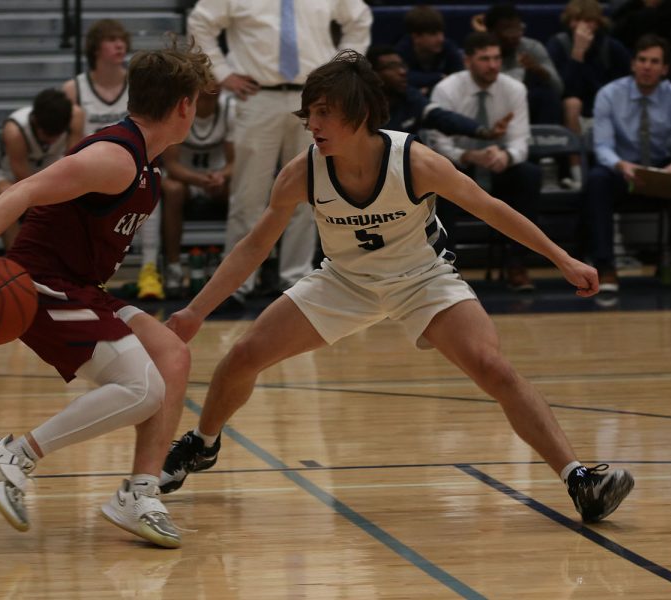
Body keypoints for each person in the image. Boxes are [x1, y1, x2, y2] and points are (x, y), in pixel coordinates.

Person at [159, 50, 634, 525]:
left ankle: (579, 480)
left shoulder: (415, 161)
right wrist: (195, 312)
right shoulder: (302, 171)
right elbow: (253, 247)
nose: (312, 124)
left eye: (324, 112)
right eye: (311, 113)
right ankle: (202, 442)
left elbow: (492, 209)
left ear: (359, 113)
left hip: (421, 279)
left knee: (494, 369)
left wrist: (562, 258)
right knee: (242, 356)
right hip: (344, 280)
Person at [0, 44, 214, 548]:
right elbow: (20, 191)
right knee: (142, 388)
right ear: (184, 106)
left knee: (172, 357)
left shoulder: (148, 164)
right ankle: (14, 455)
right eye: (196, 101)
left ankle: (139, 491)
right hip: (40, 284)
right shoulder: (115, 158)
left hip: (82, 288)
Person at [187, 0, 372, 311]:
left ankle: (296, 279)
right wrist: (221, 71)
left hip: (315, 96)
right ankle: (237, 282)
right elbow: (200, 22)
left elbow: (359, 17)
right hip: (257, 95)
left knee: (310, 190)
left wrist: (341, 69)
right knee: (248, 195)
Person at [585, 34, 671, 293]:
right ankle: (605, 268)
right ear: (633, 63)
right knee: (597, 180)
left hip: (663, 167)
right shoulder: (609, 94)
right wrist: (623, 166)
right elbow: (602, 147)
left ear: (664, 68)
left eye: (654, 62)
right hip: (623, 169)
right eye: (642, 60)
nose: (647, 66)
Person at [427, 32, 543, 291]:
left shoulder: (514, 89)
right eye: (484, 59)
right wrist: (468, 156)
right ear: (467, 60)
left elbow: (520, 141)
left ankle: (517, 263)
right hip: (457, 165)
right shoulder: (446, 90)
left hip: (499, 165)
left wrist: (506, 156)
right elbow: (438, 144)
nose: (492, 65)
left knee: (529, 174)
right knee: (439, 180)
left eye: (497, 58)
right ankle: (446, 268)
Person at [154, 87, 235, 298]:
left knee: (242, 189)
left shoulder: (229, 107)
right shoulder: (178, 106)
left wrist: (220, 176)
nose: (211, 82)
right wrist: (199, 180)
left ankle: (234, 268)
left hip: (217, 177)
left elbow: (235, 162)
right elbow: (171, 165)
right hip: (185, 177)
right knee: (172, 190)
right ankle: (173, 267)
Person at [546, 0, 631, 190]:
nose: (584, 26)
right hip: (571, 113)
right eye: (578, 20)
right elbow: (561, 89)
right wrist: (577, 54)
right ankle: (576, 175)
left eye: (589, 20)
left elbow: (624, 86)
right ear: (570, 22)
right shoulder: (558, 44)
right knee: (572, 103)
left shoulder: (611, 47)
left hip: (606, 109)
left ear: (598, 22)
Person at [367, 44, 513, 140]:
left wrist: (483, 131)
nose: (402, 72)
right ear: (372, 74)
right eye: (391, 67)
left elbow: (443, 118)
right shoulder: (359, 106)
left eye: (402, 65)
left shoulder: (409, 97)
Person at [0, 88, 84, 198]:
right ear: (35, 121)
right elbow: (22, 180)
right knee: (8, 195)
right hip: (14, 178)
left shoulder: (75, 117)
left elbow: (72, 162)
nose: (52, 141)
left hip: (54, 175)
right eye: (47, 135)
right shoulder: (15, 131)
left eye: (58, 135)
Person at [484, 3, 563, 125]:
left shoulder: (532, 48)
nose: (515, 35)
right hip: (493, 105)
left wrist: (539, 71)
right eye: (508, 30)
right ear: (492, 32)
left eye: (518, 28)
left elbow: (559, 89)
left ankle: (546, 139)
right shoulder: (481, 52)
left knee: (547, 95)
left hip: (528, 104)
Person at [62, 19, 130, 137]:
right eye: (111, 40)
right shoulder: (73, 89)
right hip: (89, 153)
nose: (120, 45)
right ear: (95, 48)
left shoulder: (138, 82)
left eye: (123, 40)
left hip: (130, 154)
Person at [395, 5, 464, 98]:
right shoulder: (400, 51)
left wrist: (429, 88)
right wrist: (439, 77)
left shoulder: (448, 46)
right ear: (416, 37)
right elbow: (403, 78)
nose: (441, 39)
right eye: (433, 34)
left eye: (441, 32)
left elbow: (459, 77)